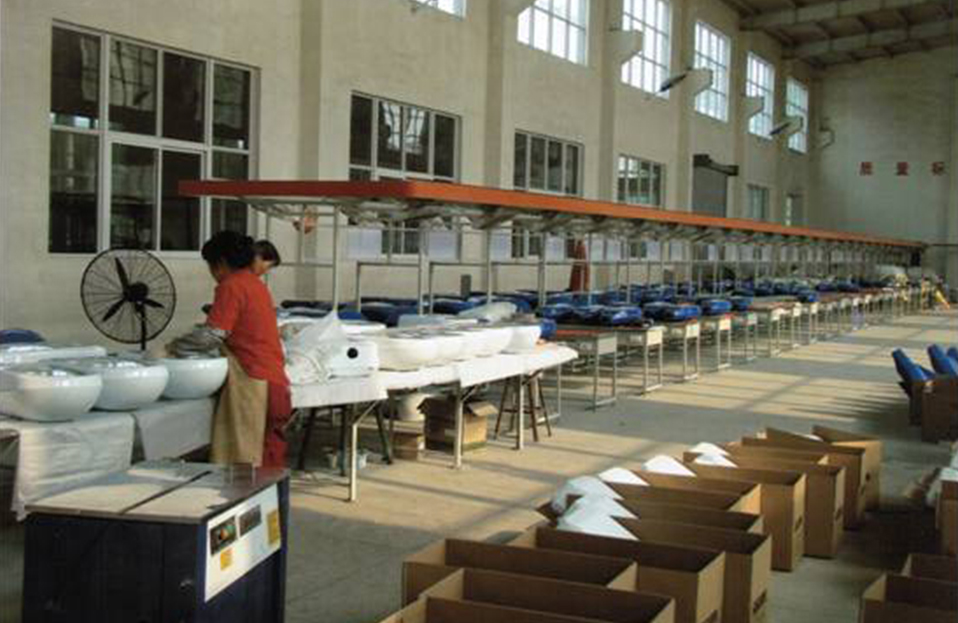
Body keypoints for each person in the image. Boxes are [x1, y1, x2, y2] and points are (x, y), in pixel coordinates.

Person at [168, 231, 290, 468]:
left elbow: (213, 335)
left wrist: (172, 347)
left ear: (221, 263)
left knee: (248, 467)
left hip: (255, 383)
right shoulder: (255, 284)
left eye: (210, 267)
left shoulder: (232, 285)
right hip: (275, 382)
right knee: (270, 460)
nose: (211, 274)